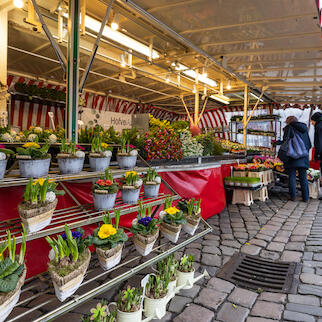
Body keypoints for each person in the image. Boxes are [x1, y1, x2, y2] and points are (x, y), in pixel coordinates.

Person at [281, 116, 312, 202]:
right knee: (303, 177)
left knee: (292, 176)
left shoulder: (288, 128)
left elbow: (285, 142)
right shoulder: (304, 128)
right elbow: (309, 143)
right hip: (303, 156)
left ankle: (293, 196)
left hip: (292, 157)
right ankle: (305, 198)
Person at [311, 112, 322, 200]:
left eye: (312, 121)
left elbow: (318, 142)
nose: (311, 123)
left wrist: (317, 155)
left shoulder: (319, 127)